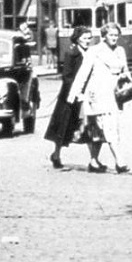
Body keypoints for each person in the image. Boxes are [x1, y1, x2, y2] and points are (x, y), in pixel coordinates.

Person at [68, 22, 132, 174]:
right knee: (104, 128)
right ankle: (120, 161)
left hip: (115, 94)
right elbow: (83, 73)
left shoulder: (120, 51)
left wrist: (129, 84)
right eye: (111, 35)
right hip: (97, 94)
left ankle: (93, 161)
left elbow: (126, 70)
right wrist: (74, 93)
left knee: (102, 130)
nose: (114, 38)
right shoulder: (94, 51)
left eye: (116, 35)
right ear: (103, 36)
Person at [43, 26, 93, 169]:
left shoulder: (90, 53)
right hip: (70, 97)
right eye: (84, 38)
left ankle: (93, 159)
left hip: (86, 94)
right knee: (63, 128)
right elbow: (67, 76)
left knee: (88, 126)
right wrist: (76, 92)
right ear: (77, 39)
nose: (87, 41)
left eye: (89, 38)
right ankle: (56, 154)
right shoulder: (72, 53)